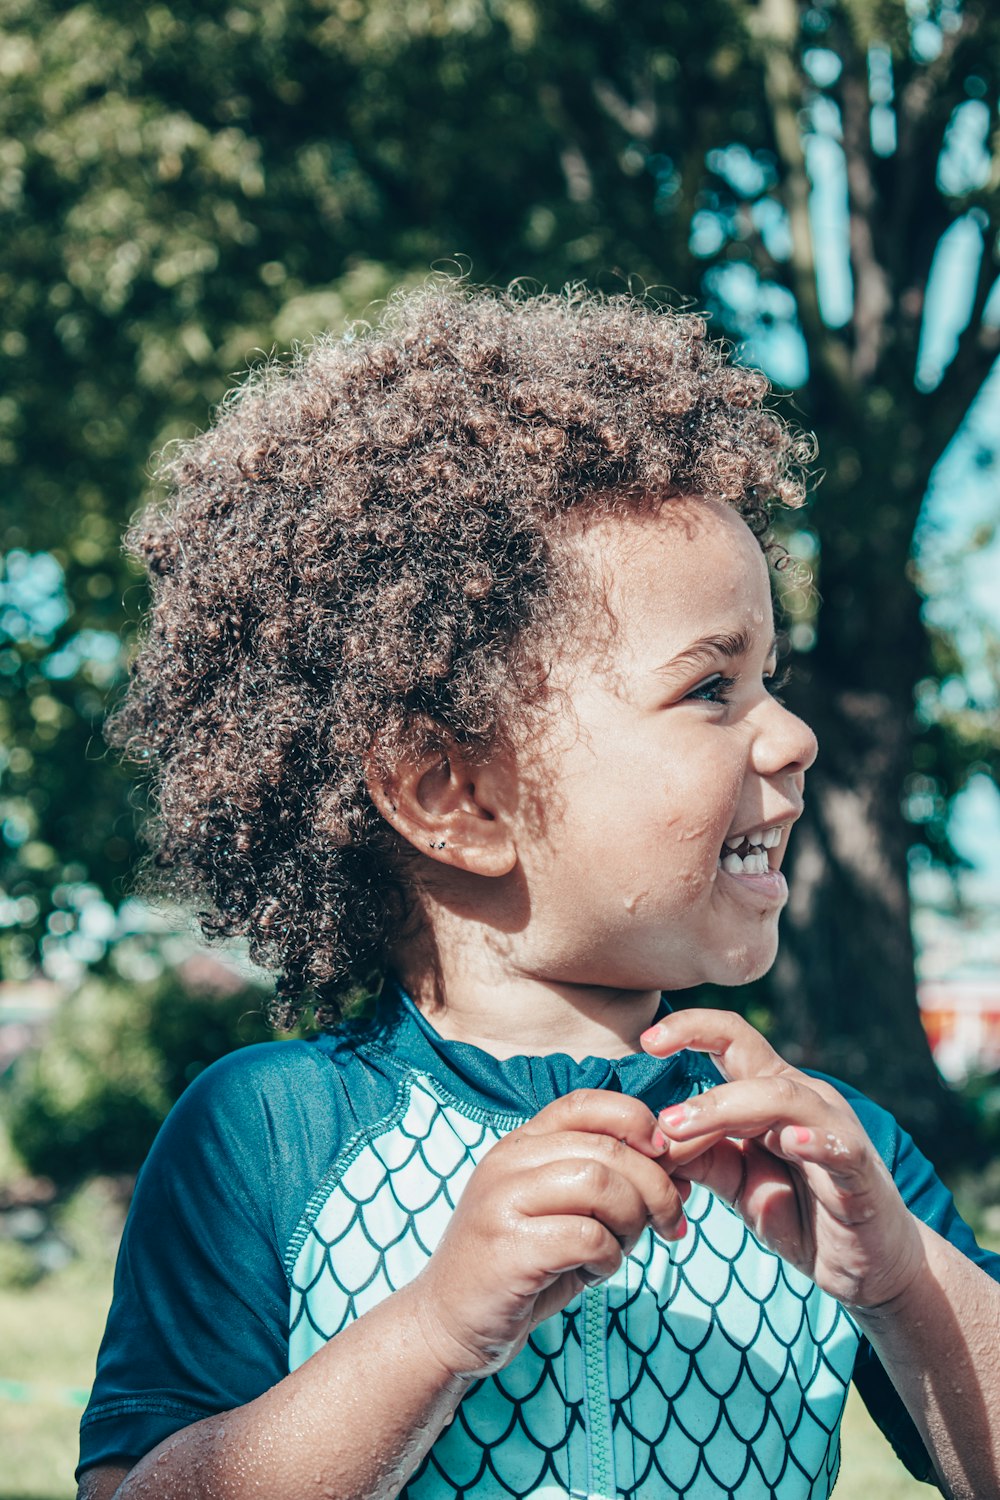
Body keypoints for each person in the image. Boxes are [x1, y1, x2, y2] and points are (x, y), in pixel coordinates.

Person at [77, 281, 1000, 1500]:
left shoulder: (827, 1151)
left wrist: (897, 1284)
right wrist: (439, 1329)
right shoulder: (269, 1136)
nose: (790, 738)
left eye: (769, 677)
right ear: (450, 796)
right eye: (709, 689)